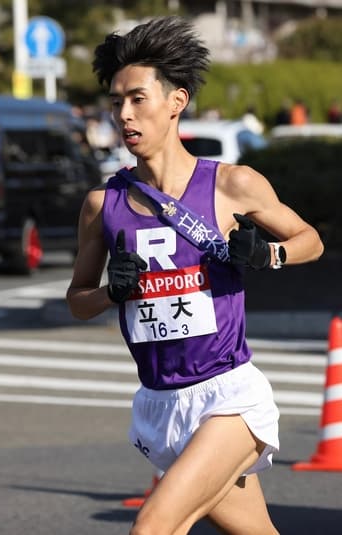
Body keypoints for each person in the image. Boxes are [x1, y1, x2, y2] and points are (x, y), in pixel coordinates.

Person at [68, 16, 323, 535]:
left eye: (138, 99)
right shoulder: (103, 204)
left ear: (176, 101)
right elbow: (76, 299)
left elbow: (310, 241)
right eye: (116, 102)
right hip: (160, 402)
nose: (124, 114)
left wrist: (266, 255)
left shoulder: (231, 184)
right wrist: (111, 292)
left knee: (155, 525)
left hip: (227, 395)